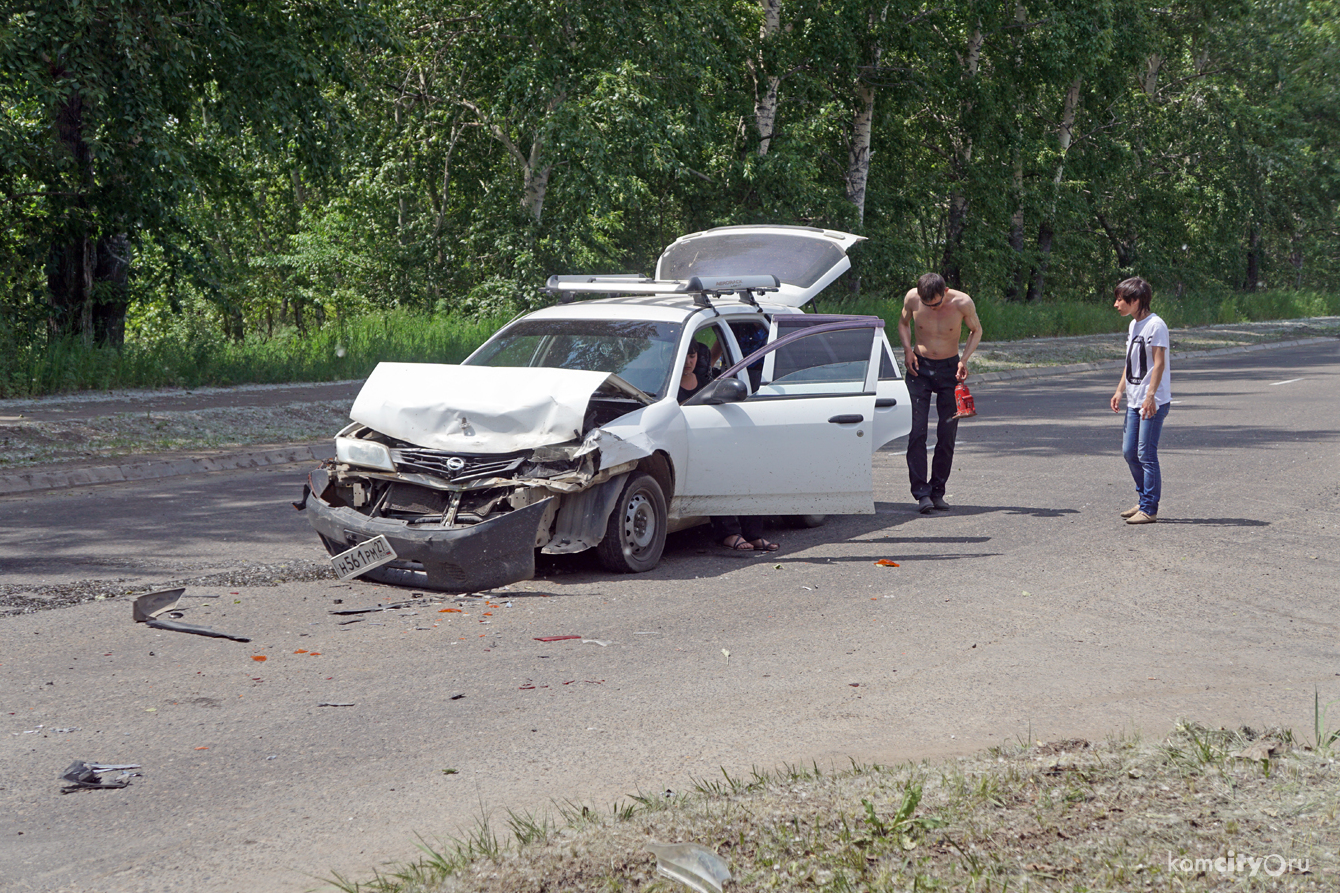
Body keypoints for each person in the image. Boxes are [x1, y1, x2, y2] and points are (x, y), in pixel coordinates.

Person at [677, 340, 779, 552]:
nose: (688, 362)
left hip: (713, 441)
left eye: (693, 356)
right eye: (684, 357)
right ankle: (729, 533)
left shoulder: (706, 380)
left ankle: (754, 534)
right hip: (688, 447)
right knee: (717, 473)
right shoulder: (670, 386)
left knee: (746, 471)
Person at [898, 272, 982, 514]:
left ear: (944, 292)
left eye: (935, 303)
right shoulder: (913, 298)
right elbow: (903, 323)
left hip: (949, 370)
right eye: (927, 304)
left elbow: (976, 330)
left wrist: (964, 359)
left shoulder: (962, 302)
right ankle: (921, 493)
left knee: (947, 434)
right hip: (919, 369)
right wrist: (907, 350)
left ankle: (937, 492)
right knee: (916, 432)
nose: (931, 308)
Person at [1109, 276, 1170, 525]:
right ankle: (1144, 497)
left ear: (1136, 300)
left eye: (1121, 299)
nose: (1116, 304)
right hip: (1134, 400)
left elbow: (1158, 364)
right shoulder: (1134, 325)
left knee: (1146, 453)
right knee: (1129, 452)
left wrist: (1150, 396)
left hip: (1151, 401)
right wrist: (1119, 390)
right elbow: (1130, 363)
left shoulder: (1156, 326)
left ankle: (1149, 508)